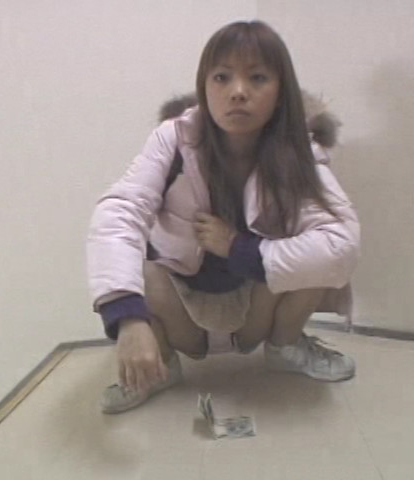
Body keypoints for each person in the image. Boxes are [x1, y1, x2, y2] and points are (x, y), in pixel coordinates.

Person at [87, 21, 360, 414]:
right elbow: (119, 212)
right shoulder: (173, 138)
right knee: (137, 271)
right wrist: (126, 318)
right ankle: (158, 366)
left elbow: (340, 244)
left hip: (256, 305)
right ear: (204, 86)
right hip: (181, 306)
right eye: (222, 77)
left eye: (258, 78)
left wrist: (237, 247)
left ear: (281, 91)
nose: (238, 91)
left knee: (318, 262)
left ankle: (285, 348)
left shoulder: (298, 151)